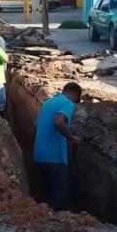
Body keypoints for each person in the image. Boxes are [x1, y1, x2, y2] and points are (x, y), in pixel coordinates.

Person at [32, 82, 83, 211]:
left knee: (43, 198)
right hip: (55, 159)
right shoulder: (67, 103)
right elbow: (58, 122)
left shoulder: (47, 103)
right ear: (75, 95)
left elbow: (36, 127)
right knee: (57, 200)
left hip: (38, 157)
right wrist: (72, 139)